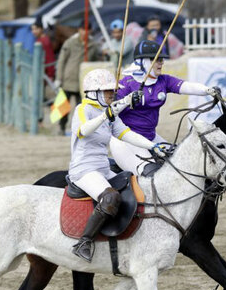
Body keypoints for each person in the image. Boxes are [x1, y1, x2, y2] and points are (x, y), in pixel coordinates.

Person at [68, 68, 168, 261]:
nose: (112, 94)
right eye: (107, 91)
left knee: (136, 188)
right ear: (94, 92)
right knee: (111, 198)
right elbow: (83, 131)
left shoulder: (109, 113)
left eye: (112, 91)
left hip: (103, 168)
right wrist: (106, 114)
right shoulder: (83, 110)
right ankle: (84, 242)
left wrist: (154, 146)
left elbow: (126, 134)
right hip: (83, 170)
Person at [109, 39, 219, 176]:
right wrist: (127, 100)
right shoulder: (126, 83)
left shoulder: (163, 80)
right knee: (151, 174)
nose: (162, 62)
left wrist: (208, 90)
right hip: (125, 140)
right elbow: (111, 112)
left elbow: (186, 86)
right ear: (144, 61)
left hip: (150, 136)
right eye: (158, 59)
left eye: (162, 59)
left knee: (182, 162)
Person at [55, 21, 101, 135]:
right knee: (63, 107)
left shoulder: (93, 45)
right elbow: (62, 60)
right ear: (78, 30)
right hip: (68, 79)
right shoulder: (70, 43)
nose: (84, 32)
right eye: (82, 29)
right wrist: (59, 77)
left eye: (87, 29)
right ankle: (61, 127)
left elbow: (96, 62)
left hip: (83, 82)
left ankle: (80, 128)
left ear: (90, 30)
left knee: (82, 108)